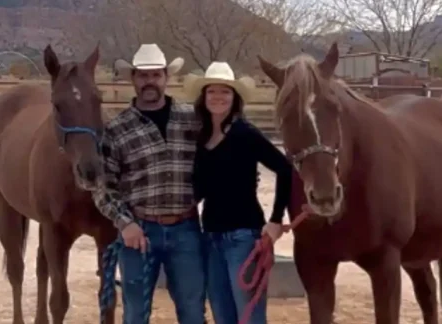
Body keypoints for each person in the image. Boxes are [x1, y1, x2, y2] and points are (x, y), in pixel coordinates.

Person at [93, 43, 206, 324]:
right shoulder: (117, 129)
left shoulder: (192, 120)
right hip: (139, 230)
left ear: (167, 76)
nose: (149, 82)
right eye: (143, 76)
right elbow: (103, 186)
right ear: (133, 79)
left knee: (193, 309)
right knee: (135, 312)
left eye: (155, 75)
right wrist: (124, 222)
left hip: (186, 228)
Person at [183, 62, 293, 324]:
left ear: (235, 98)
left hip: (243, 237)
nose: (218, 97)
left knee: (248, 315)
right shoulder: (201, 137)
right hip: (210, 235)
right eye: (212, 92)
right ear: (204, 96)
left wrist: (276, 219)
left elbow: (285, 169)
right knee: (223, 314)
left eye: (225, 92)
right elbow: (200, 188)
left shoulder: (246, 134)